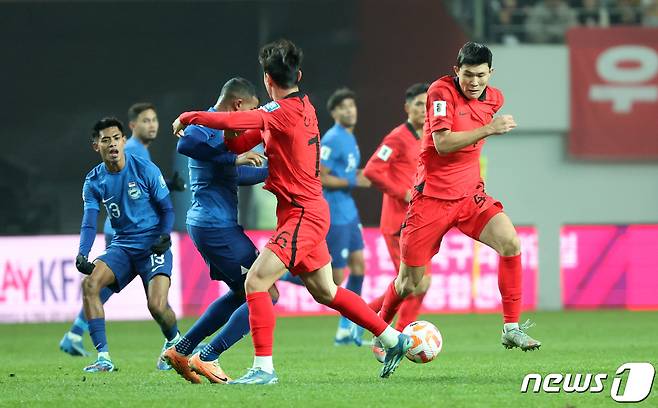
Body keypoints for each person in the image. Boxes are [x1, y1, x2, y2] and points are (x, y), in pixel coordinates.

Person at [173, 39, 412, 384]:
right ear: (297, 75)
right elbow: (241, 138)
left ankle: (263, 369)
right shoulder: (305, 107)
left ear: (268, 80)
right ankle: (394, 339)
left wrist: (189, 117)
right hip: (307, 212)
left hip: (302, 214)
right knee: (327, 291)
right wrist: (227, 145)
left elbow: (245, 121)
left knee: (256, 282)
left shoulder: (279, 112)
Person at [377, 42, 541, 353]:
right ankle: (381, 330)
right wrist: (489, 129)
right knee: (409, 283)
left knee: (511, 242)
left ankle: (511, 327)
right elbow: (443, 144)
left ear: (490, 73)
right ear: (456, 71)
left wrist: (487, 128)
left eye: (481, 75)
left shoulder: (494, 98)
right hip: (432, 200)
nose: (474, 82)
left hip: (469, 197)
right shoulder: (440, 93)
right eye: (468, 75)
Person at [163, 77, 279, 384]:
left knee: (241, 293)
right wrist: (233, 156)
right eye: (251, 110)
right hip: (215, 227)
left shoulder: (222, 135)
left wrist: (273, 171)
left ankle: (182, 349)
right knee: (266, 291)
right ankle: (209, 355)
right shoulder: (206, 126)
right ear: (238, 105)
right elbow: (185, 143)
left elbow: (234, 176)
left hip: (212, 225)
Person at [59, 103, 185, 371]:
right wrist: (82, 253)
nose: (113, 144)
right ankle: (103, 358)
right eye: (106, 140)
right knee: (90, 286)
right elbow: (89, 222)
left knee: (157, 306)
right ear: (97, 146)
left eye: (117, 138)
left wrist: (163, 236)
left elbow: (167, 209)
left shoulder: (144, 169)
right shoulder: (94, 181)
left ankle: (175, 342)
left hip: (152, 245)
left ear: (124, 140)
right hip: (123, 247)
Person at [363, 83, 432, 361]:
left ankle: (363, 314)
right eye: (418, 104)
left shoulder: (430, 136)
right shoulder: (397, 137)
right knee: (415, 283)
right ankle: (396, 336)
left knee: (414, 283)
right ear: (407, 108)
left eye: (428, 104)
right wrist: (402, 192)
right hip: (397, 222)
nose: (424, 109)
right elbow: (372, 170)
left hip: (421, 221)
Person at [319, 87, 372, 346]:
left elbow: (347, 172)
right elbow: (320, 175)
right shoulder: (332, 138)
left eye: (352, 105)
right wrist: (353, 180)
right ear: (334, 113)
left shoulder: (350, 138)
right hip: (335, 212)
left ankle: (347, 326)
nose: (349, 110)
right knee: (337, 277)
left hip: (349, 211)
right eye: (343, 107)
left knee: (360, 266)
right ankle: (282, 275)